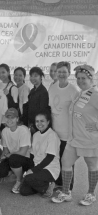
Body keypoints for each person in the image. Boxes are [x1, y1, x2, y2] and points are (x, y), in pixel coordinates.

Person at [52, 65, 98, 206]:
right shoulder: (80, 93)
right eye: (78, 78)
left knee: (92, 166)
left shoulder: (95, 94)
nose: (80, 81)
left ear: (91, 79)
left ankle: (91, 194)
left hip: (89, 139)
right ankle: (66, 192)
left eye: (83, 78)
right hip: (74, 139)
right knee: (66, 162)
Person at [48, 61, 79, 190]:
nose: (61, 74)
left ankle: (68, 187)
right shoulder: (53, 87)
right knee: (58, 159)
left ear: (69, 73)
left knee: (67, 161)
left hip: (68, 133)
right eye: (59, 71)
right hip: (55, 132)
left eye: (64, 72)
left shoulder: (73, 90)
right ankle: (61, 183)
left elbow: (78, 113)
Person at [20, 111, 60, 198]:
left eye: (42, 121)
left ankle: (49, 184)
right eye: (37, 121)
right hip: (38, 167)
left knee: (28, 178)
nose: (39, 123)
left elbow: (50, 157)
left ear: (48, 122)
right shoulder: (36, 135)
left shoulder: (52, 135)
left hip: (50, 169)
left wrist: (33, 170)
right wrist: (30, 168)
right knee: (24, 191)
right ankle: (43, 185)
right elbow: (33, 154)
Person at [0, 108, 31, 194]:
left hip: (26, 159)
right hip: (12, 157)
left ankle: (19, 180)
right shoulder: (4, 131)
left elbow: (23, 152)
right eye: (8, 117)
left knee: (13, 159)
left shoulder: (23, 130)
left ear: (17, 119)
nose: (9, 120)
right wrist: (2, 158)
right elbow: (5, 150)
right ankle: (16, 173)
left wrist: (8, 155)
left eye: (12, 117)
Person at [21, 67, 49, 131]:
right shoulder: (32, 90)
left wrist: (35, 125)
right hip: (31, 124)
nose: (33, 78)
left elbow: (42, 111)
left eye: (35, 76)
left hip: (38, 125)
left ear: (41, 77)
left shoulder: (43, 92)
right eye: (31, 76)